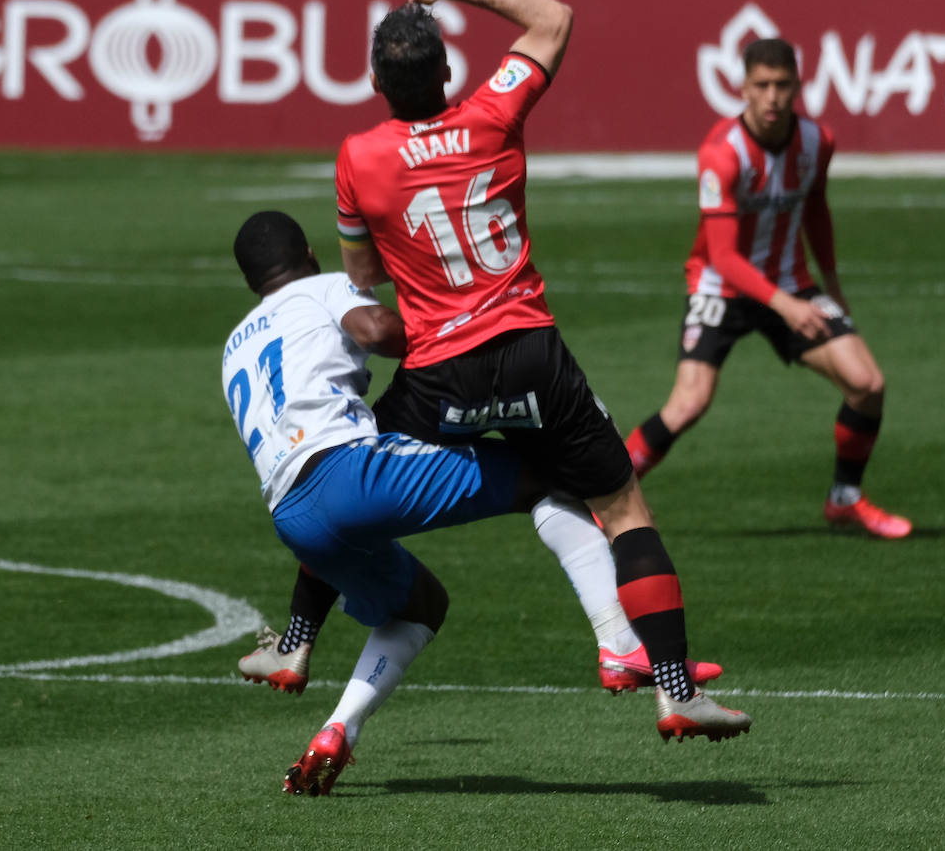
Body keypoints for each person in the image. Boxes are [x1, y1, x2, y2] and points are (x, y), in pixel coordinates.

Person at [241, 0, 734, 734]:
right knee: (621, 505)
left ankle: (297, 643)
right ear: (448, 76)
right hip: (531, 352)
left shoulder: (358, 158)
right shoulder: (492, 112)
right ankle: (670, 684)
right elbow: (555, 18)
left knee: (346, 477)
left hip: (438, 371)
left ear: (376, 86)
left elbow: (360, 277)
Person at [221, 212, 749, 795]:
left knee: (421, 605)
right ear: (312, 255)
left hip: (292, 516)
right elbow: (374, 329)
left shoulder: (233, 346)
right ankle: (621, 645)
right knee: (549, 477)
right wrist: (433, 336)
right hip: (353, 473)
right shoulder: (323, 287)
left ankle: (330, 714)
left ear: (251, 283)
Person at [623, 37, 910, 539]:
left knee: (868, 385)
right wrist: (786, 306)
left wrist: (832, 286)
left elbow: (817, 208)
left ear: (798, 85)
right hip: (722, 287)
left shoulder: (819, 141)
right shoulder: (721, 154)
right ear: (743, 88)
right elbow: (725, 257)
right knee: (689, 403)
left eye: (782, 85)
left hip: (791, 283)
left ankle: (844, 500)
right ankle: (604, 501)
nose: (773, 96)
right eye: (762, 85)